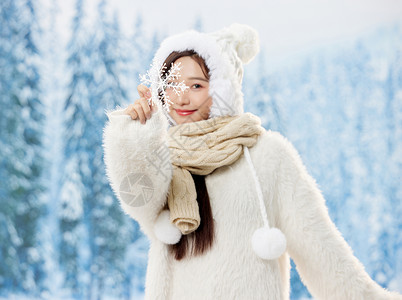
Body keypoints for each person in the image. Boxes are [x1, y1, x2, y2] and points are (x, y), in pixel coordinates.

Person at [102, 24, 401, 299]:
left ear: (220, 90)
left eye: (196, 86)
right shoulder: (163, 157)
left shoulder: (267, 156)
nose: (181, 99)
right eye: (173, 85)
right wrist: (136, 136)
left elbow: (320, 249)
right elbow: (137, 200)